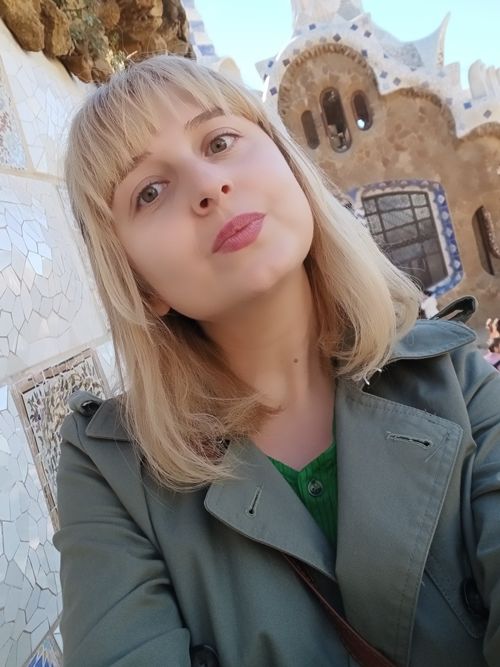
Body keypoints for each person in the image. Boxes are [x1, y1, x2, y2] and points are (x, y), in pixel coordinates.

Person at [53, 55, 500, 667]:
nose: (208, 186)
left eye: (220, 141)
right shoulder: (108, 470)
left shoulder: (458, 382)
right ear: (140, 284)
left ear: (289, 166)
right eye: (149, 192)